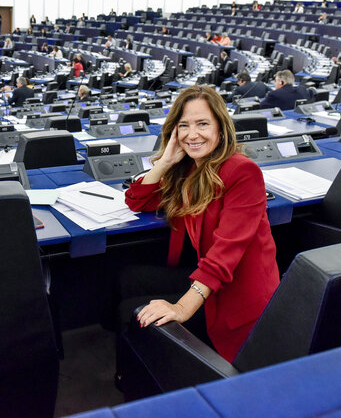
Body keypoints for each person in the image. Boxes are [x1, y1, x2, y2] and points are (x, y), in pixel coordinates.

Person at [119, 85, 279, 365]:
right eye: (184, 126)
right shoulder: (190, 169)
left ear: (220, 127)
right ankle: (130, 368)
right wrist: (166, 160)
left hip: (236, 295)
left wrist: (181, 307)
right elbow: (136, 200)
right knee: (126, 279)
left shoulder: (243, 172)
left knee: (129, 312)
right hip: (208, 280)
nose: (192, 134)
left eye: (202, 124)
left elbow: (225, 254)